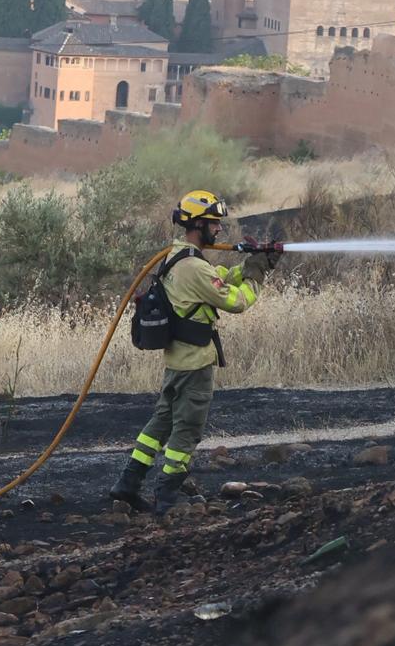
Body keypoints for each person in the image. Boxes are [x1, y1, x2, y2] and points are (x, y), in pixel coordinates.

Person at [109, 190, 276, 514]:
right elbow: (235, 301)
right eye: (213, 224)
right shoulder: (194, 267)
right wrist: (257, 275)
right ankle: (167, 500)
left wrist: (248, 265)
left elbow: (218, 281)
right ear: (197, 224)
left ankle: (127, 484)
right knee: (187, 430)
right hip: (195, 364)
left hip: (176, 361)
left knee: (161, 424)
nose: (218, 230)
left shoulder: (178, 257)